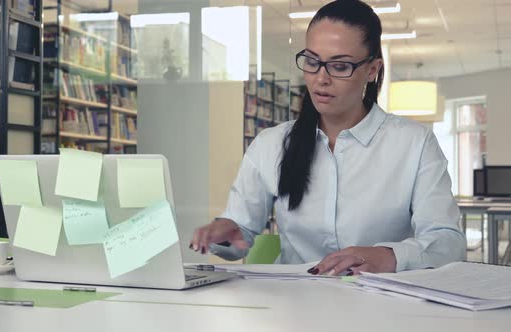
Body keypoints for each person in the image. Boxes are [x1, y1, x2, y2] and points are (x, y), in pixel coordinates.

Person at [189, 0, 466, 276]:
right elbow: (241, 231)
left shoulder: (415, 144)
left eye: (340, 66)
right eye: (312, 62)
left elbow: (448, 242)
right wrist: (227, 231)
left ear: (372, 70)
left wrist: (389, 256)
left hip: (380, 305)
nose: (321, 78)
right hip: (292, 303)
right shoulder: (271, 144)